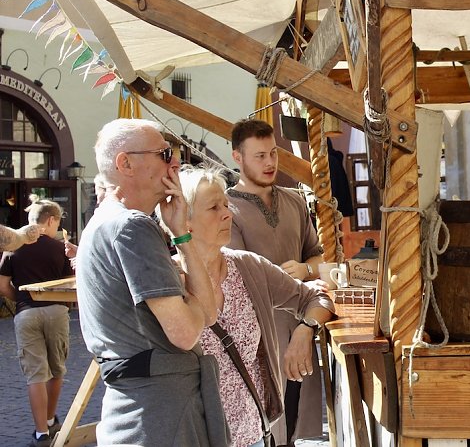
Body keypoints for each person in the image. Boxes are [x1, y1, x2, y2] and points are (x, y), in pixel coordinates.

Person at [75, 119, 225, 447]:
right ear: (124, 163)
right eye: (164, 153)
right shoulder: (131, 227)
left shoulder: (103, 223)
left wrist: (181, 236)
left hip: (143, 408)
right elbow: (187, 332)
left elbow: (208, 315)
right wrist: (192, 303)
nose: (176, 163)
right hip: (161, 414)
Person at [177, 166, 335, 447]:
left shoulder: (247, 267)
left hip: (253, 436)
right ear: (183, 222)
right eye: (214, 207)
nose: (228, 214)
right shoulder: (168, 281)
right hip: (194, 438)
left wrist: (305, 329)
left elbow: (316, 298)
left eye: (226, 204)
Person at [227, 119, 326, 446]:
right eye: (259, 156)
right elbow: (237, 278)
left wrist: (305, 270)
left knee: (292, 428)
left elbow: (318, 257)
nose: (270, 162)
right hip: (256, 343)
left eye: (273, 153)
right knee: (264, 432)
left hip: (300, 331)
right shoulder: (226, 209)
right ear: (237, 157)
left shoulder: (296, 200)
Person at [0, 197, 73, 447]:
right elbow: (68, 283)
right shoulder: (57, 247)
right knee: (56, 370)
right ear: (50, 220)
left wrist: (21, 298)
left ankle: (41, 433)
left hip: (26, 313)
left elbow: (1, 285)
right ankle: (52, 420)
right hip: (57, 311)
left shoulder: (14, 245)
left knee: (35, 376)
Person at [64, 173, 113, 264]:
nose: (97, 201)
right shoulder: (100, 214)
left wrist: (83, 260)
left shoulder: (115, 218)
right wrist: (81, 254)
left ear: (107, 190)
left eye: (98, 194)